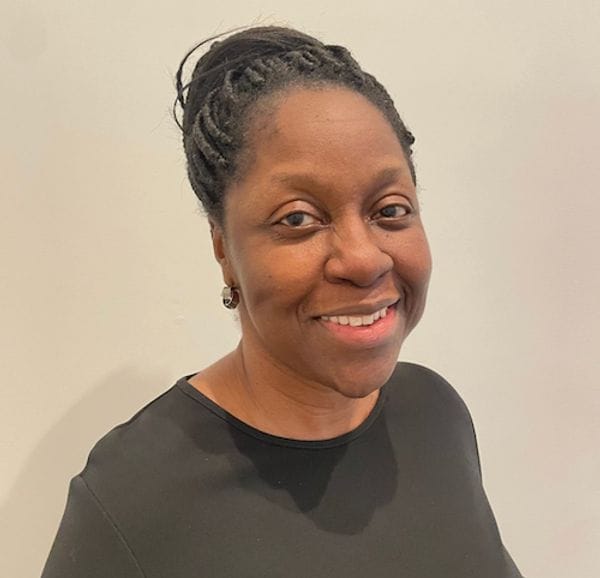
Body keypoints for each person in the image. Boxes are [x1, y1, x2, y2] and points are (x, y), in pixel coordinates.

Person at [42, 26, 524, 577]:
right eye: (298, 218)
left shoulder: (435, 415)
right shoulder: (130, 501)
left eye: (390, 210)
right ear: (224, 250)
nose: (364, 260)